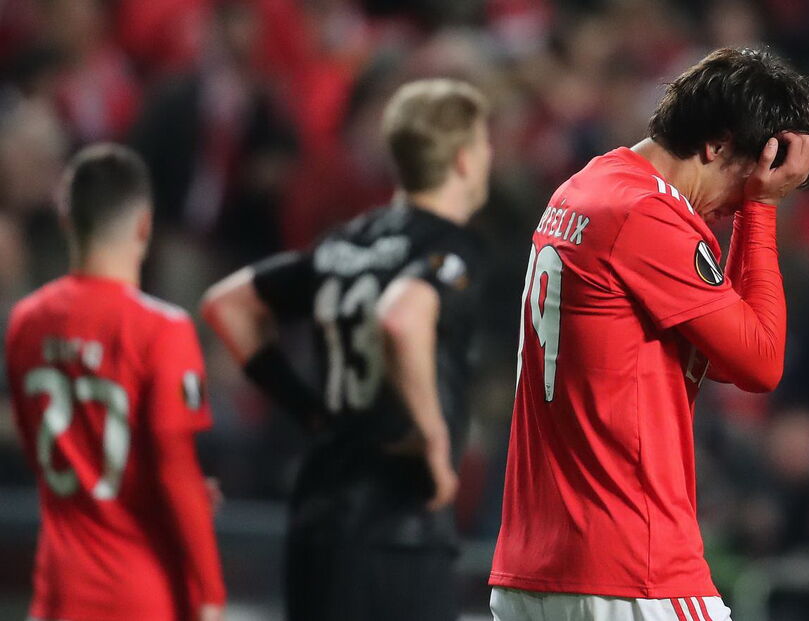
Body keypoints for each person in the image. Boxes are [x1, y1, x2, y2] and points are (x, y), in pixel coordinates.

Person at [489, 47, 809, 621]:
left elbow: (721, 356)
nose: (730, 207)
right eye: (743, 181)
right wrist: (762, 209)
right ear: (717, 145)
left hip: (537, 568)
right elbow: (760, 363)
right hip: (629, 566)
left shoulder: (586, 188)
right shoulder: (646, 214)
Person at [201, 78, 491, 621]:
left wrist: (306, 408)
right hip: (399, 525)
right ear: (463, 159)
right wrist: (433, 439)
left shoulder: (345, 241)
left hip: (317, 519)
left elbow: (227, 305)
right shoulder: (450, 246)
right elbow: (403, 317)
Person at [5, 144, 226, 621]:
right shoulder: (163, 329)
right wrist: (210, 594)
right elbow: (174, 467)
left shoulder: (25, 321)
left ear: (66, 220)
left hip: (56, 593)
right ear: (144, 225)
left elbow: (41, 444)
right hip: (140, 592)